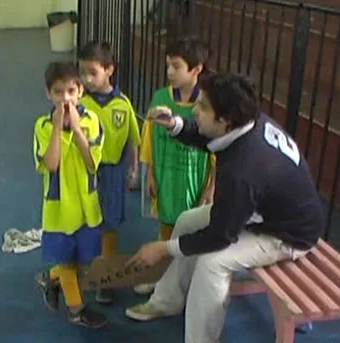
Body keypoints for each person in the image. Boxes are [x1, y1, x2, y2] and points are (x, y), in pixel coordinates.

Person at [125, 72, 324, 343]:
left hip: (288, 234)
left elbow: (221, 235)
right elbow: (212, 137)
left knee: (213, 261)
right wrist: (175, 125)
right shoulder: (245, 123)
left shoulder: (244, 169)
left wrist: (162, 249)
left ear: (226, 119)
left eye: (202, 107)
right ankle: (169, 299)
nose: (194, 111)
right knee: (188, 220)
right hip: (264, 212)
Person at [135, 36, 216, 296]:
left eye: (177, 66)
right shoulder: (160, 97)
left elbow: (217, 149)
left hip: (195, 181)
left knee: (193, 232)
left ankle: (185, 282)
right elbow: (148, 135)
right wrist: (148, 173)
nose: (170, 72)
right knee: (166, 229)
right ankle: (162, 278)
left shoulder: (207, 104)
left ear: (197, 69)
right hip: (166, 176)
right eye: (168, 66)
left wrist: (211, 186)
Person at [33, 61, 107, 328]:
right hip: (60, 209)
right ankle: (76, 310)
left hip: (87, 206)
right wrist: (56, 128)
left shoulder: (91, 121)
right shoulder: (42, 126)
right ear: (48, 94)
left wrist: (76, 130)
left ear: (80, 92)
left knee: (82, 260)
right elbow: (51, 164)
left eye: (71, 91)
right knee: (66, 260)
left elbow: (92, 163)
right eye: (58, 92)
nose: (65, 98)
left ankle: (51, 279)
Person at [78, 40, 141, 304]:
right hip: (85, 172)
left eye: (93, 72)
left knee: (110, 224)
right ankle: (83, 269)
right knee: (84, 221)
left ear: (109, 70)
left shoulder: (123, 105)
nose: (87, 79)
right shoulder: (80, 104)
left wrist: (134, 168)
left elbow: (132, 140)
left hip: (114, 172)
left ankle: (107, 278)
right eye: (83, 73)